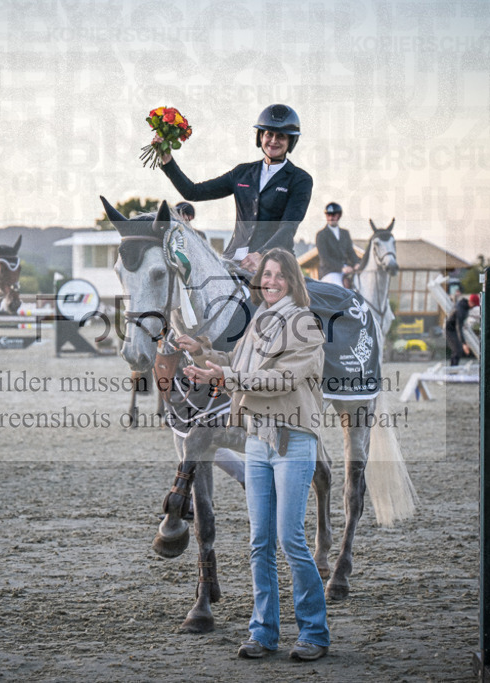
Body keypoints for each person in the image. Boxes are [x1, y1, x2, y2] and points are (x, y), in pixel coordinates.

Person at [176, 248, 330, 662]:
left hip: (295, 439)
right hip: (259, 440)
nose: (272, 282)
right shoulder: (259, 320)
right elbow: (234, 362)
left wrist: (223, 375)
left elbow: (281, 378)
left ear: (293, 280)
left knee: (290, 539)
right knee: (259, 541)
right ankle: (263, 632)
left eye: (280, 275)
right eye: (266, 275)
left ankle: (314, 633)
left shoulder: (305, 324)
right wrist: (200, 354)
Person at [156, 104, 313, 273]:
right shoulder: (242, 173)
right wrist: (167, 160)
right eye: (269, 134)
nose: (274, 140)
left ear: (291, 141)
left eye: (281, 136)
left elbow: (287, 228)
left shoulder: (300, 180)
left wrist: (262, 255)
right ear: (261, 137)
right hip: (233, 261)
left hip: (276, 262)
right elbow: (193, 192)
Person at [315, 202, 361, 287]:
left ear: (339, 216)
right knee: (339, 287)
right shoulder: (321, 235)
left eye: (333, 215)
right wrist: (341, 268)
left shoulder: (345, 233)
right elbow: (325, 258)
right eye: (328, 215)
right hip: (329, 272)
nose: (331, 217)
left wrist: (356, 263)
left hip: (346, 271)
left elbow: (350, 252)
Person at [443, 292, 474, 366]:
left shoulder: (464, 305)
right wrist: (464, 343)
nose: (473, 307)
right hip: (449, 330)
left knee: (457, 349)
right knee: (458, 349)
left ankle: (453, 368)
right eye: (474, 305)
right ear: (471, 302)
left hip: (453, 329)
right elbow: (458, 327)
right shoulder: (461, 310)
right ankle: (452, 370)